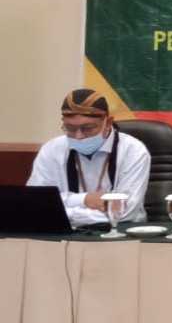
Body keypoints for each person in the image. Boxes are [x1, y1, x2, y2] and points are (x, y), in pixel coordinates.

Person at [27, 89, 150, 227]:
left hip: (121, 231)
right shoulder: (51, 149)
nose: (78, 136)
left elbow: (124, 212)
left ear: (108, 123)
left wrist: (62, 212)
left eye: (87, 128)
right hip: (64, 232)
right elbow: (36, 201)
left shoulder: (133, 151)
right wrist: (84, 200)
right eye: (70, 128)